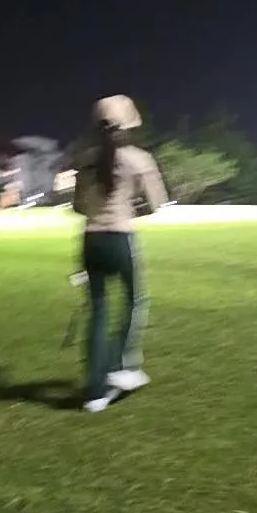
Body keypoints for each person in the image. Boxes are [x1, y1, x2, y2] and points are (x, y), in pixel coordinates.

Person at [71, 95, 168, 413]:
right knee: (134, 301)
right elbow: (155, 205)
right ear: (128, 125)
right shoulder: (139, 159)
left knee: (98, 311)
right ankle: (121, 367)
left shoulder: (86, 159)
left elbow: (78, 206)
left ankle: (95, 393)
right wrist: (128, 209)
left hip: (90, 240)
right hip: (119, 238)